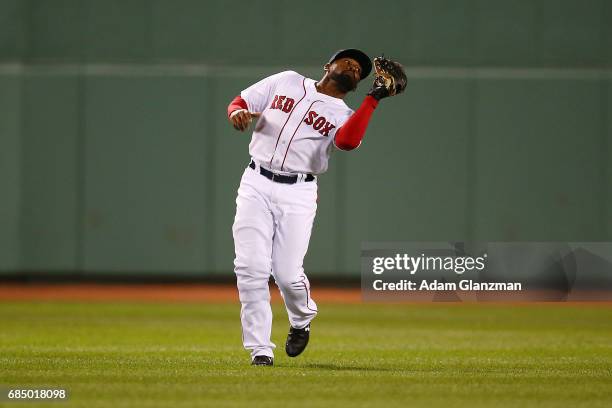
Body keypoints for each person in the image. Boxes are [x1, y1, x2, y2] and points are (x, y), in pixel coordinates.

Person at [227, 49, 394, 366]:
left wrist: (373, 99)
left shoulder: (345, 115)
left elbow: (346, 142)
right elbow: (241, 102)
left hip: (298, 192)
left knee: (288, 276)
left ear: (358, 83)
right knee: (250, 269)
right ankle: (260, 348)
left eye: (359, 69)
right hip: (256, 183)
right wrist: (236, 112)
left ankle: (301, 319)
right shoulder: (287, 80)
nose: (352, 67)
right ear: (328, 65)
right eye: (347, 61)